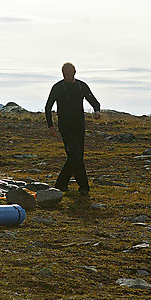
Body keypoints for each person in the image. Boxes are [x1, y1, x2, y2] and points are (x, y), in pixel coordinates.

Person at [45, 62, 101, 200]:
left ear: (74, 72)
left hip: (79, 126)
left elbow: (94, 101)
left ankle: (61, 184)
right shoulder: (58, 87)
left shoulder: (81, 86)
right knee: (75, 155)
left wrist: (97, 111)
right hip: (65, 126)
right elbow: (48, 107)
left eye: (69, 74)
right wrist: (51, 126)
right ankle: (84, 187)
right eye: (65, 74)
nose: (67, 76)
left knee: (75, 157)